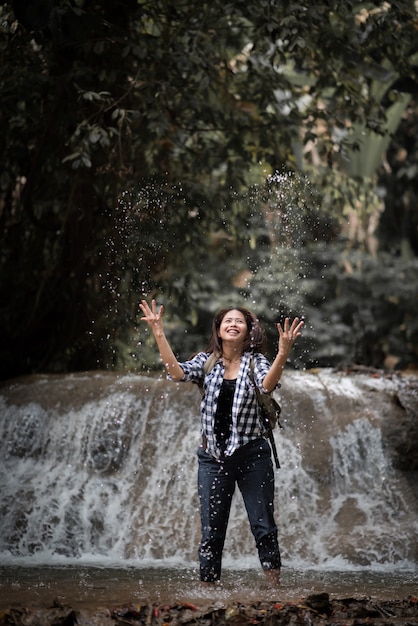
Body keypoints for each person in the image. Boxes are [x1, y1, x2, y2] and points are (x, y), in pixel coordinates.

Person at [139, 298, 304, 586]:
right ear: (218, 329)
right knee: (212, 531)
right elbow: (177, 373)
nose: (233, 324)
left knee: (263, 525)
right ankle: (208, 590)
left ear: (248, 330)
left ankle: (274, 589)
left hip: (253, 455)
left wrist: (283, 352)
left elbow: (267, 385)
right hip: (212, 458)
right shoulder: (207, 361)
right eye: (227, 320)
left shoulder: (256, 362)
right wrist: (158, 332)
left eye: (239, 321)